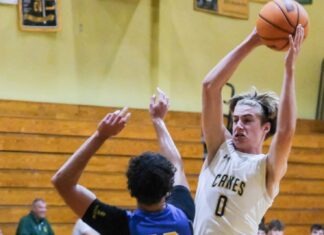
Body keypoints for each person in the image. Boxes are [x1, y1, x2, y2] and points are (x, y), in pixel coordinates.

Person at [193, 24, 304, 235]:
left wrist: (289, 70)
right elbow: (209, 87)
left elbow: (287, 131)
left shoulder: (266, 167)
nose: (238, 126)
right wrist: (253, 40)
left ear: (265, 127)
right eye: (235, 120)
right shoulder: (220, 148)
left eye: (247, 120)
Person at [51, 88, 195, 235]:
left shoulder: (120, 225)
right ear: (168, 188)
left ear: (131, 187)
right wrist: (158, 121)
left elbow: (62, 182)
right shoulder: (184, 213)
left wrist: (100, 135)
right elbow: (176, 163)